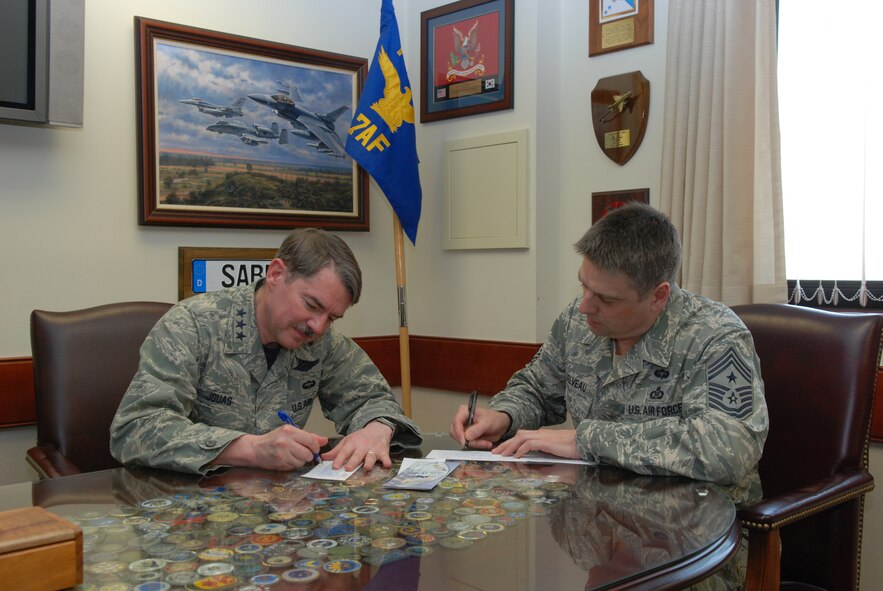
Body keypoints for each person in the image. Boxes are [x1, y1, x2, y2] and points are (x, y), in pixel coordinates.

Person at [450, 202, 768, 508]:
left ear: (658, 296)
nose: (585, 305)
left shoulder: (715, 336)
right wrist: (503, 415)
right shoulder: (576, 321)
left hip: (690, 536)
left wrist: (587, 440)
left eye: (605, 298)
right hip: (594, 527)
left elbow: (727, 448)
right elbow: (536, 387)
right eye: (583, 287)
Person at [111, 228, 421, 475]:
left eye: (332, 317)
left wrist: (377, 428)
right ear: (275, 275)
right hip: (185, 510)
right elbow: (136, 428)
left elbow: (372, 398)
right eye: (312, 305)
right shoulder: (193, 325)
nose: (318, 326)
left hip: (278, 516)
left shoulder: (322, 342)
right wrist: (250, 449)